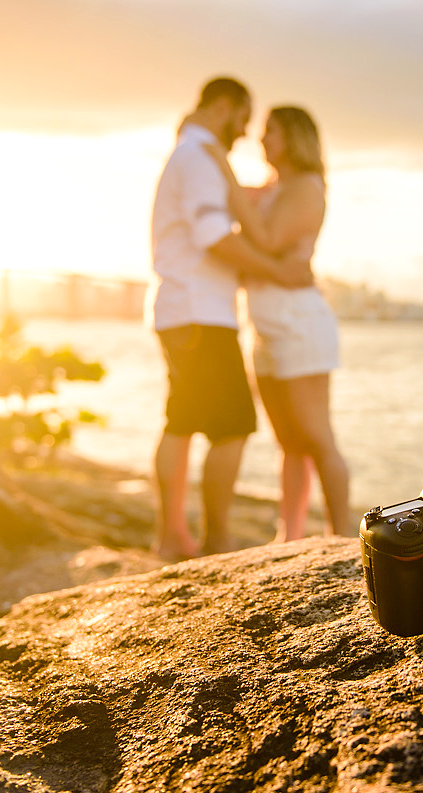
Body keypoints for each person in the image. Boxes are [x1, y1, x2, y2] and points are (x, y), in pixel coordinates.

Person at [148, 78, 312, 560]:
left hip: (181, 308)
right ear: (224, 107)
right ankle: (215, 539)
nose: (244, 133)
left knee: (181, 419)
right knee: (233, 424)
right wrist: (278, 271)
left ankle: (172, 535)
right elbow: (213, 233)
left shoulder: (190, 153)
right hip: (200, 311)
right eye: (243, 119)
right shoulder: (198, 157)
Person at [203, 106, 351, 540]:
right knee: (288, 442)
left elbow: (265, 239)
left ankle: (341, 538)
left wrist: (225, 173)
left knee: (318, 438)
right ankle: (291, 536)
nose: (262, 140)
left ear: (295, 139)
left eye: (272, 132)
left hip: (299, 322)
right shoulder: (275, 187)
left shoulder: (306, 188)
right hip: (265, 325)